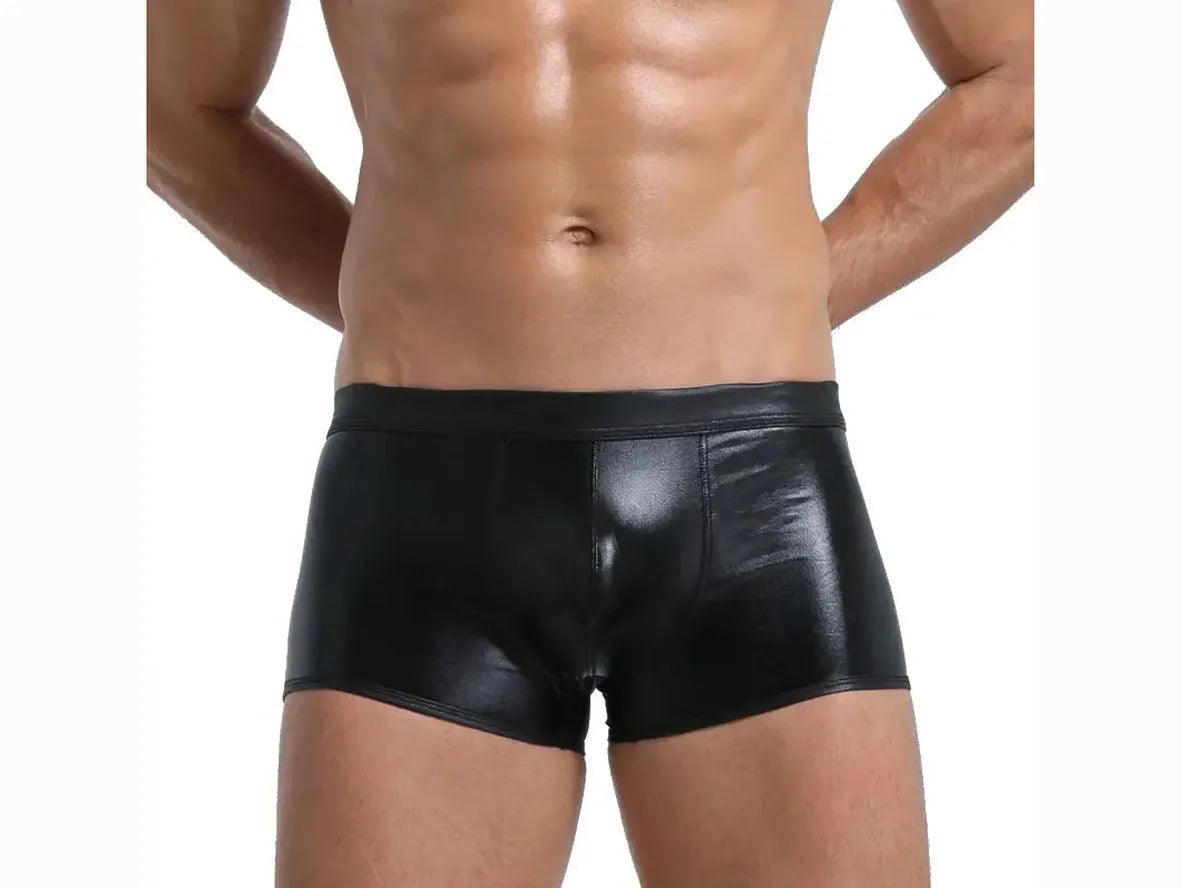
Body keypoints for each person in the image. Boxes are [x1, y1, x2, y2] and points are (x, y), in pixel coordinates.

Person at [147, 1, 1033, 884]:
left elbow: (1024, 81)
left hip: (754, 491)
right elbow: (172, 109)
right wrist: (394, 298)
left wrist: (775, 290)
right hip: (425, 488)